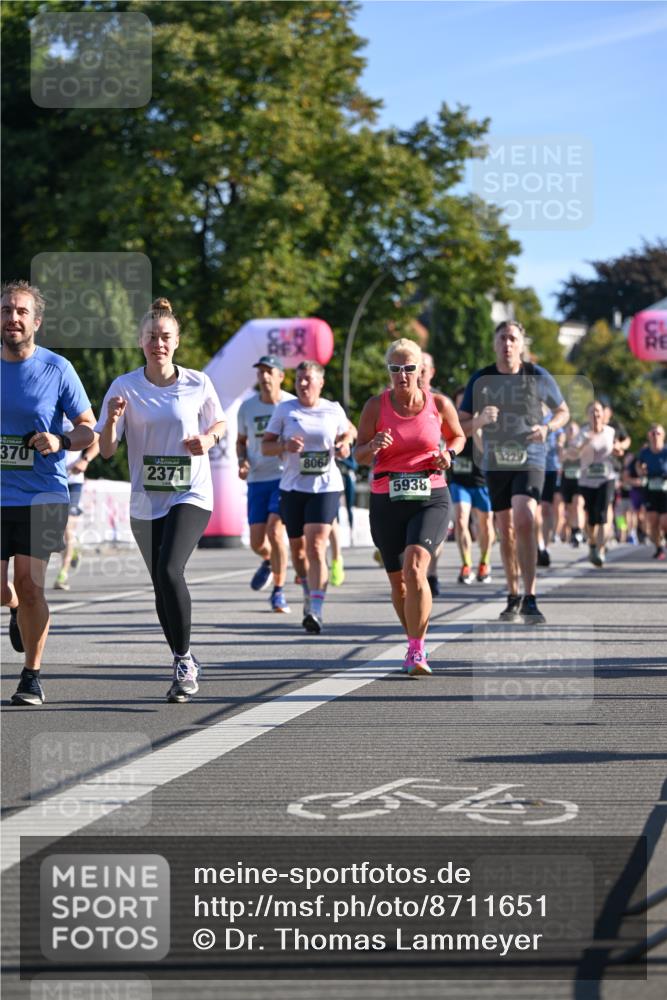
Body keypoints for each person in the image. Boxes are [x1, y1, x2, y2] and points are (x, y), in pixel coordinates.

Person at [97, 298, 225, 703]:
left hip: (191, 491)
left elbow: (219, 421)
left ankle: (184, 661)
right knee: (160, 584)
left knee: (171, 570)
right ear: (141, 341)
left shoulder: (198, 382)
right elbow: (105, 450)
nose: (159, 343)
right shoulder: (124, 386)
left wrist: (207, 438)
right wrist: (114, 421)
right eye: (152, 337)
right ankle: (180, 656)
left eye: (166, 337)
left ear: (177, 342)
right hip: (146, 499)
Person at [1, 280, 96, 705]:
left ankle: (31, 675)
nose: (12, 318)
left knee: (31, 583)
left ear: (36, 321)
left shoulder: (57, 368)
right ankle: (15, 607)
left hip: (43, 493)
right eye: (6, 310)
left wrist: (62, 441)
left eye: (21, 311)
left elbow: (88, 427)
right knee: (10, 589)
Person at [355, 339, 465, 676]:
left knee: (416, 568)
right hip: (387, 496)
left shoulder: (440, 404)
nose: (402, 375)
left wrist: (449, 455)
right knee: (399, 583)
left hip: (430, 492)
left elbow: (458, 437)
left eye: (409, 368)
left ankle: (417, 650)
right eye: (395, 369)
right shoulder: (376, 406)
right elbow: (358, 454)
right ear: (388, 371)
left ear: (421, 371)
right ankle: (412, 639)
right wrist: (373, 445)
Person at [458, 320, 569, 624]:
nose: (507, 344)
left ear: (522, 344)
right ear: (494, 344)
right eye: (502, 338)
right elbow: (460, 426)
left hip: (531, 454)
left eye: (513, 339)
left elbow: (563, 411)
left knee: (524, 517)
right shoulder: (481, 379)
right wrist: (479, 420)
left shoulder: (536, 375)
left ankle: (531, 596)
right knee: (504, 528)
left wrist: (548, 427)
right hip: (497, 460)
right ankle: (513, 594)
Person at [262, 360, 354, 634]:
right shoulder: (284, 410)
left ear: (320, 382)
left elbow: (351, 430)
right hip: (292, 488)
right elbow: (265, 446)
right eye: (299, 379)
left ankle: (316, 608)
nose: (303, 384)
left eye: (308, 379)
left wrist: (345, 442)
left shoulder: (332, 409)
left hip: (325, 486)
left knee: (316, 546)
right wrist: (283, 445)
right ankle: (307, 589)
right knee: (299, 551)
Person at [237, 355, 294, 612]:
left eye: (269, 371)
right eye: (260, 372)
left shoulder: (293, 404)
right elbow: (241, 441)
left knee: (275, 531)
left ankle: (279, 591)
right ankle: (270, 560)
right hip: (257, 478)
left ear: (281, 376)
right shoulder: (247, 408)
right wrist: (243, 460)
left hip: (285, 477)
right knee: (257, 542)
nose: (264, 376)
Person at [449, 386, 495, 585]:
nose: (461, 408)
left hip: (481, 482)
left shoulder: (480, 423)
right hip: (459, 481)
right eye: (458, 404)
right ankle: (466, 564)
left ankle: (484, 562)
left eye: (464, 404)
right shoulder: (449, 423)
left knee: (485, 524)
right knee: (460, 519)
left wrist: (475, 425)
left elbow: (484, 450)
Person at [54, 417, 100, 591]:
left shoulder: (79, 415)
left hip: (73, 480)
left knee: (67, 527)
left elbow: (97, 440)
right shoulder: (48, 411)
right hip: (52, 480)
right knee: (56, 529)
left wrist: (85, 460)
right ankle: (73, 548)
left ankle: (62, 574)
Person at [638, 424, 667, 560]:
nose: (655, 436)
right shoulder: (645, 452)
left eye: (658, 433)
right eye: (653, 433)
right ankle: (659, 547)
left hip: (665, 488)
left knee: (664, 521)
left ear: (663, 435)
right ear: (649, 436)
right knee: (653, 521)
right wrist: (641, 471)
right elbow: (639, 465)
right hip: (650, 487)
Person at [559, 421, 585, 546]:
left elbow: (581, 456)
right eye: (569, 429)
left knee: (578, 503)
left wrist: (573, 452)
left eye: (573, 429)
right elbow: (561, 458)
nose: (571, 431)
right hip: (566, 479)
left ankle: (578, 531)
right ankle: (573, 530)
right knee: (569, 508)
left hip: (579, 479)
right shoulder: (563, 444)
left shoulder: (582, 444)